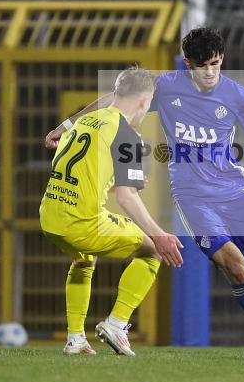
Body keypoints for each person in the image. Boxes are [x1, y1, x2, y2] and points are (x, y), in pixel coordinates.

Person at [46, 27, 244, 355]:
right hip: (192, 197)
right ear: (188, 63)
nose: (210, 72)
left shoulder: (236, 95)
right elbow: (115, 101)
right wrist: (67, 124)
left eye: (215, 63)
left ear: (222, 59)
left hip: (235, 191)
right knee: (237, 268)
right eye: (202, 65)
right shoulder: (168, 86)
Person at [39, 66, 183, 357]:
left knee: (85, 260)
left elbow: (84, 164)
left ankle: (75, 338)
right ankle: (117, 324)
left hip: (49, 216)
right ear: (144, 101)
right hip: (82, 223)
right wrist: (160, 234)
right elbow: (127, 197)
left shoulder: (85, 121)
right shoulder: (128, 134)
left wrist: (62, 127)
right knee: (153, 249)